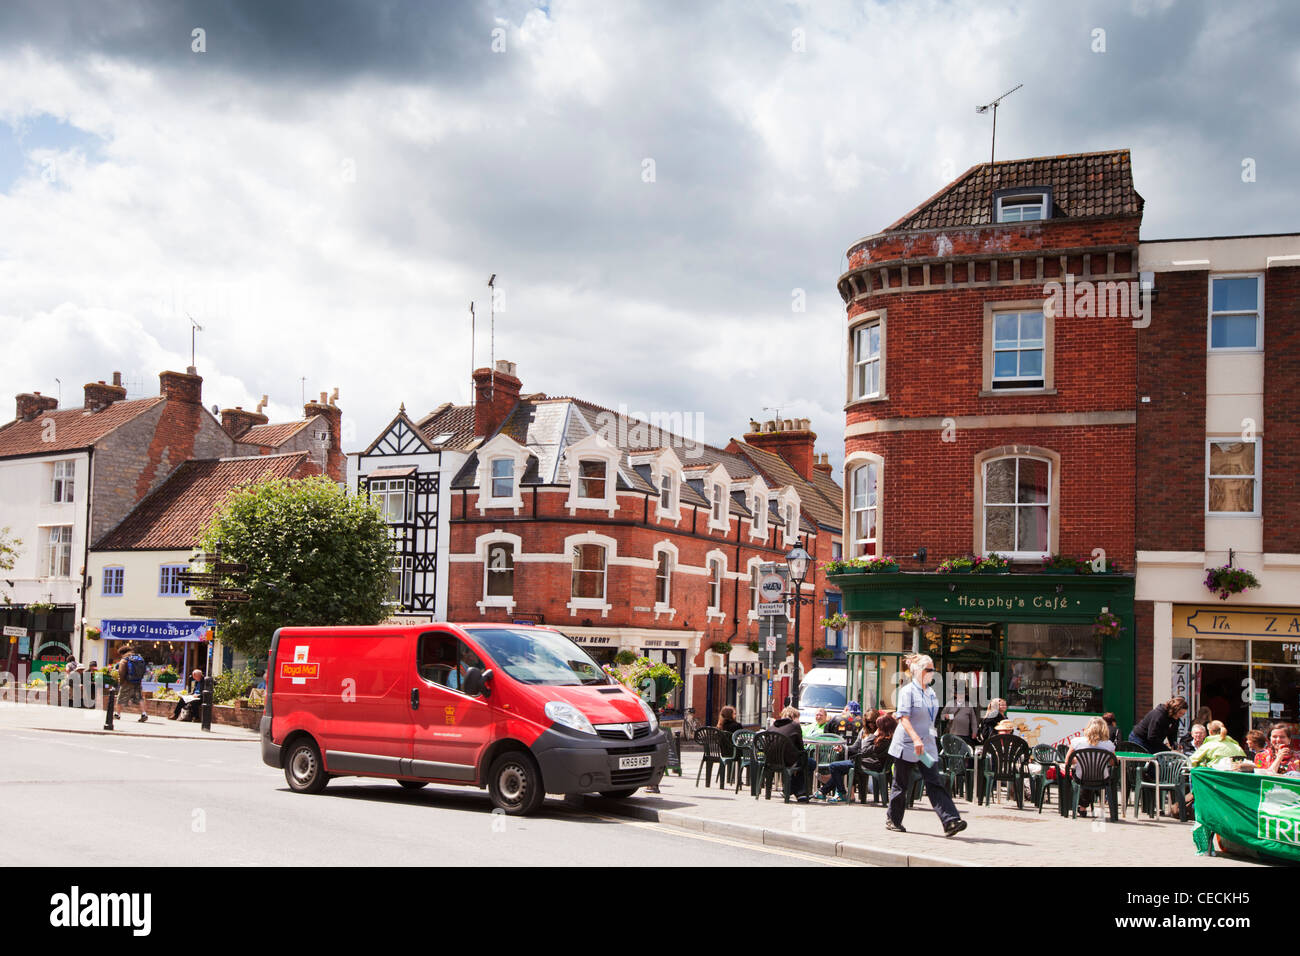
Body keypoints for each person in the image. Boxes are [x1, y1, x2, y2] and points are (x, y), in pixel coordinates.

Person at [887, 655, 965, 836]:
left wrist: (927, 741)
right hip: (907, 744)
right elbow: (903, 718)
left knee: (934, 782)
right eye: (929, 670)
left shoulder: (930, 692)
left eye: (933, 669)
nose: (932, 673)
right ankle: (893, 819)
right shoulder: (907, 692)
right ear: (919, 671)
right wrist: (915, 739)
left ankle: (950, 821)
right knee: (901, 785)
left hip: (925, 747)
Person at [813, 714, 897, 803]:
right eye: (868, 722)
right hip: (866, 762)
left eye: (876, 724)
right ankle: (824, 792)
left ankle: (839, 793)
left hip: (869, 765)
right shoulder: (882, 737)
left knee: (835, 766)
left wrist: (873, 735)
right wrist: (844, 748)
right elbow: (857, 748)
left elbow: (864, 750)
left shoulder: (884, 740)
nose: (872, 726)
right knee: (839, 767)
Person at [1061, 716, 1116, 810]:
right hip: (1102, 778)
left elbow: (1067, 761)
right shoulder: (1109, 744)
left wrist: (1080, 759)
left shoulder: (1077, 741)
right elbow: (1112, 763)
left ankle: (1076, 806)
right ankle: (1085, 806)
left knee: (1081, 772)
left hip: (1081, 777)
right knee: (1093, 772)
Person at [769, 705, 813, 802]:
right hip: (787, 761)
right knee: (809, 762)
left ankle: (789, 790)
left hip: (770, 760)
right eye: (798, 718)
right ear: (794, 717)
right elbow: (801, 747)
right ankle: (800, 792)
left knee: (800, 762)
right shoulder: (795, 726)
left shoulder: (772, 727)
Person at [115, 645, 148, 723]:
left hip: (127, 682)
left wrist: (121, 682)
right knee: (139, 697)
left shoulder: (124, 659)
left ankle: (117, 714)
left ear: (122, 653)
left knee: (121, 697)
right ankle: (144, 714)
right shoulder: (139, 657)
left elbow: (121, 672)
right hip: (137, 681)